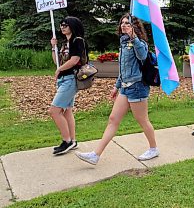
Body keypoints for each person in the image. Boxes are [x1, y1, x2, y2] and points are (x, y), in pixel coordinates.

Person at [76, 14, 159, 165]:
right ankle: (96, 155)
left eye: (127, 23)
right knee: (113, 120)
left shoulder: (139, 43)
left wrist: (133, 36)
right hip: (125, 88)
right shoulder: (123, 42)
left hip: (137, 87)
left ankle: (153, 148)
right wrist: (116, 86)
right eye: (122, 23)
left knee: (142, 120)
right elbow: (123, 69)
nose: (123, 25)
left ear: (134, 26)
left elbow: (142, 55)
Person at [49, 17, 85, 155]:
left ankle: (67, 141)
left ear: (72, 26)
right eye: (61, 25)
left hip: (70, 79)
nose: (62, 27)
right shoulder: (66, 43)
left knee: (54, 111)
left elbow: (75, 60)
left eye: (65, 25)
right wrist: (53, 47)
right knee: (67, 111)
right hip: (64, 79)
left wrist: (59, 70)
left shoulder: (77, 41)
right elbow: (57, 62)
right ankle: (73, 140)